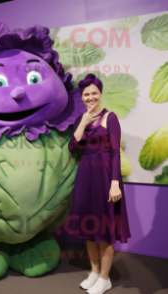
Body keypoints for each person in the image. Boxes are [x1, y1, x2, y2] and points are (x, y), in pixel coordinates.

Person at [68, 73, 131, 294]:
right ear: (82, 97)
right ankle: (94, 271)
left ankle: (105, 279)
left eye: (94, 93)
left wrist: (115, 182)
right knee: (88, 228)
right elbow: (72, 148)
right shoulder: (80, 120)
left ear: (101, 94)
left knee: (104, 230)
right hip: (86, 176)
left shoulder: (110, 117)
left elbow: (115, 152)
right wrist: (83, 123)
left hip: (106, 176)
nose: (90, 97)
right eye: (86, 94)